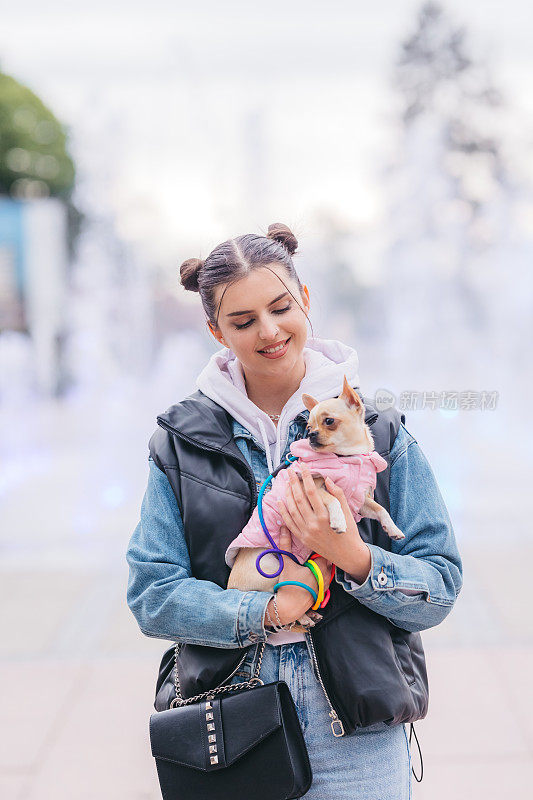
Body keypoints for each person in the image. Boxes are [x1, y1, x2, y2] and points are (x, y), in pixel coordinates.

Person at [126, 223, 463, 800]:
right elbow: (152, 593)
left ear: (305, 299)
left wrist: (353, 557)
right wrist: (259, 612)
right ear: (215, 331)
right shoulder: (181, 441)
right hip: (231, 729)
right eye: (242, 321)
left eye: (281, 307)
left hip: (358, 736)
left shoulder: (378, 430)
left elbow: (440, 583)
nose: (269, 331)